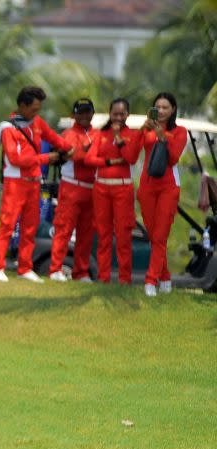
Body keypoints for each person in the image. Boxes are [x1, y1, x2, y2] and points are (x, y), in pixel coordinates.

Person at [0, 86, 73, 283]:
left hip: (34, 182)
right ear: (22, 105)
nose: (36, 113)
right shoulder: (8, 128)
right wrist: (46, 158)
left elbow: (53, 137)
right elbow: (15, 158)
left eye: (38, 109)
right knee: (7, 224)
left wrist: (70, 149)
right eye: (34, 109)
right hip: (15, 182)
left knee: (30, 226)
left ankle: (25, 267)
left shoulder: (37, 122)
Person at [85, 98, 143, 285]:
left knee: (124, 234)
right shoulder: (101, 133)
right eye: (115, 113)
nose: (118, 117)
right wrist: (109, 162)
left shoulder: (132, 135)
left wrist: (118, 140)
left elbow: (131, 158)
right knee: (103, 234)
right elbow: (89, 159)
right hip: (101, 187)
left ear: (127, 114)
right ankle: (103, 277)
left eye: (122, 113)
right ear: (110, 114)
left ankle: (125, 279)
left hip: (123, 188)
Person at [138, 92, 188, 297]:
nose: (160, 110)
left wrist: (162, 136)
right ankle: (165, 276)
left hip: (168, 187)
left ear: (173, 110)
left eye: (165, 107)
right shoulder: (147, 129)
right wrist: (143, 129)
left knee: (160, 235)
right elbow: (134, 152)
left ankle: (151, 280)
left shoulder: (180, 131)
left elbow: (174, 157)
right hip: (147, 186)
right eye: (157, 107)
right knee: (153, 236)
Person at [48, 98, 99, 283]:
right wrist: (90, 153)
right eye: (81, 112)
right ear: (74, 114)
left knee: (86, 234)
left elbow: (80, 154)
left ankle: (81, 272)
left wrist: (85, 152)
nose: (84, 115)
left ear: (92, 113)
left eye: (88, 112)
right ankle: (55, 269)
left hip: (91, 189)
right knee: (64, 229)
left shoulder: (97, 133)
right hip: (71, 187)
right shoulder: (68, 133)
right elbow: (76, 155)